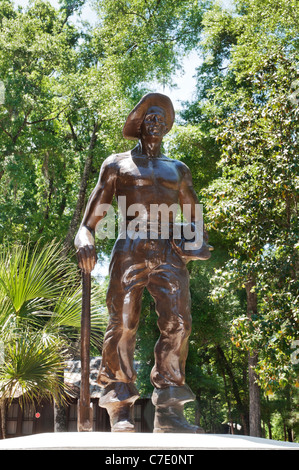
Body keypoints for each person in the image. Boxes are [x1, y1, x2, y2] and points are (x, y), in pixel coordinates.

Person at [75, 93, 211, 433]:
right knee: (123, 322)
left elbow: (194, 217)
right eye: (149, 117)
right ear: (138, 125)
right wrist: (84, 240)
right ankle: (119, 403)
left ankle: (170, 410)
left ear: (167, 127)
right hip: (130, 246)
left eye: (161, 118)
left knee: (178, 322)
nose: (156, 122)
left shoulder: (178, 169)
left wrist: (196, 242)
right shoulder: (117, 165)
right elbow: (88, 223)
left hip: (169, 250)